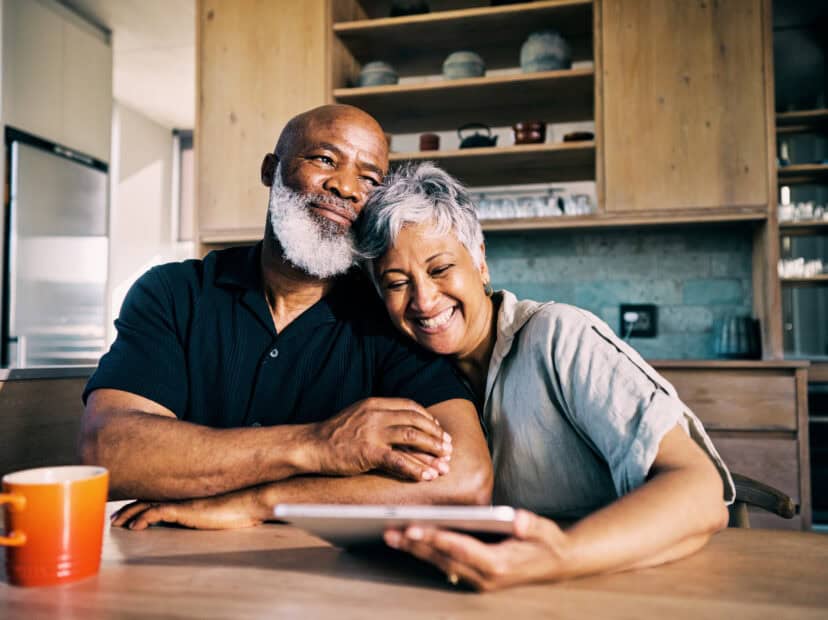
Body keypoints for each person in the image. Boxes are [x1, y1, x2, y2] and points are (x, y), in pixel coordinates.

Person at [80, 106, 492, 531]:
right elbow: (107, 452)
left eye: (369, 179)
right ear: (270, 170)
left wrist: (263, 501)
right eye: (325, 160)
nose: (346, 187)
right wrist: (318, 445)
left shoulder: (389, 315)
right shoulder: (173, 294)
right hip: (165, 568)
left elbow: (466, 479)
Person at [353, 162, 734, 591]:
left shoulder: (559, 336)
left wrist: (559, 556)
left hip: (625, 585)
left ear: (479, 261)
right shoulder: (412, 381)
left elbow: (702, 491)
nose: (423, 299)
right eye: (397, 282)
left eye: (440, 269)